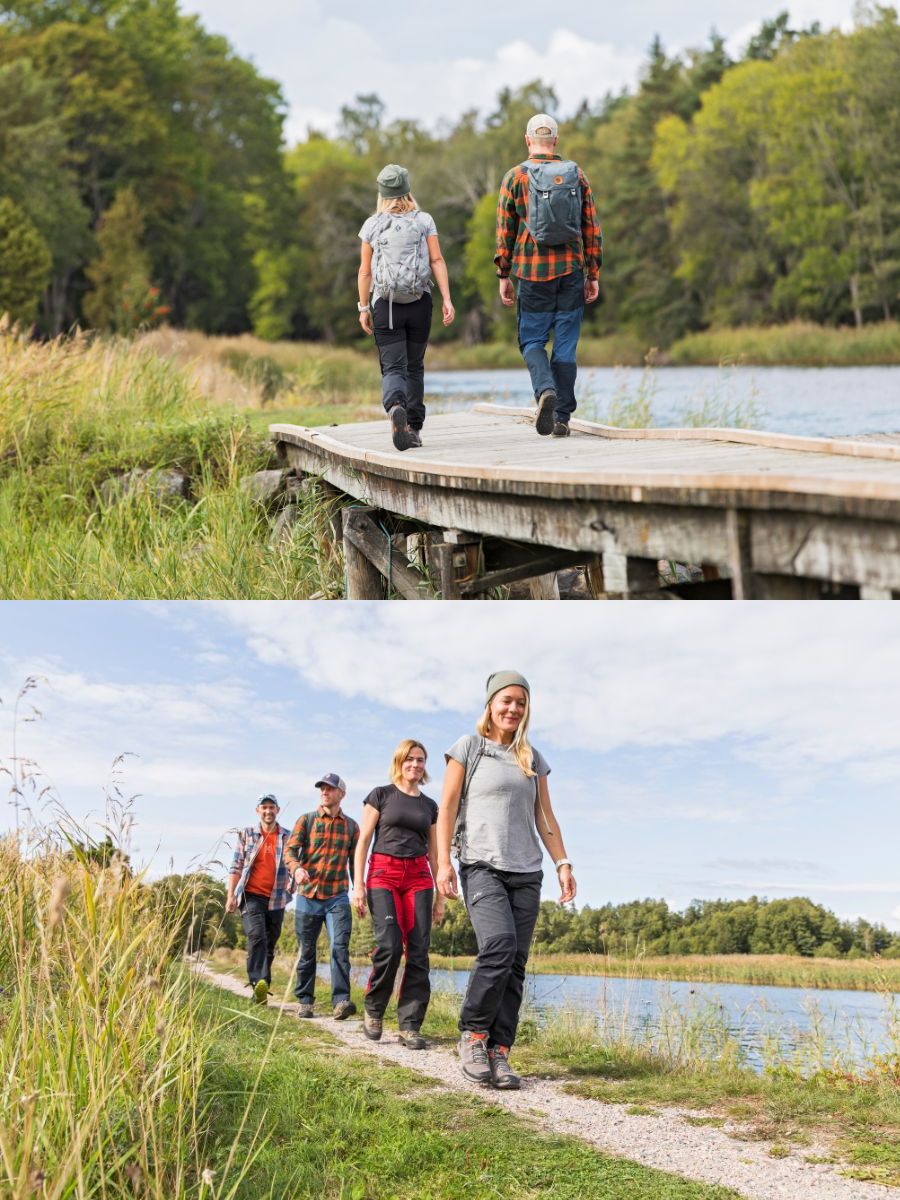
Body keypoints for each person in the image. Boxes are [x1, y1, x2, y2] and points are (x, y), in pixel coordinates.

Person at [436, 671, 576, 1089]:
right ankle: (474, 1035)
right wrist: (443, 863)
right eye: (506, 701)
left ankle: (500, 1052)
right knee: (498, 946)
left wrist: (562, 862)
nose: (513, 708)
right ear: (490, 704)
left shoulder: (532, 758)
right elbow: (446, 809)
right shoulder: (469, 747)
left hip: (527, 870)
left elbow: (544, 816)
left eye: (520, 702)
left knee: (515, 964)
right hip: (481, 864)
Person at [495, 113, 602, 438]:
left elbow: (505, 231)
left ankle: (545, 391)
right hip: (570, 271)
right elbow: (591, 228)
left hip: (531, 272)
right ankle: (562, 418)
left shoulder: (514, 177)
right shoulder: (575, 174)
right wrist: (592, 273)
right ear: (554, 140)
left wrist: (503, 274)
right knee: (565, 344)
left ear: (528, 140)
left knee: (531, 340)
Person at [352, 739, 444, 1049]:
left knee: (418, 951)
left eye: (420, 760)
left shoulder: (430, 806)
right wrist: (358, 886)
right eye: (410, 759)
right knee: (390, 945)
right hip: (383, 873)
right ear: (399, 761)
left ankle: (409, 1025)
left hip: (419, 877)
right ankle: (374, 1009)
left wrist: (441, 898)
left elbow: (434, 852)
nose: (415, 765)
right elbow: (363, 841)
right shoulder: (381, 795)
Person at [357, 163, 455, 452]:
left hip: (385, 305)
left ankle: (395, 406)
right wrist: (447, 299)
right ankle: (413, 427)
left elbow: (365, 272)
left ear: (382, 193)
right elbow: (437, 261)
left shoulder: (372, 225)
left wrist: (363, 307)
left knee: (393, 368)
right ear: (407, 189)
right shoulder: (424, 220)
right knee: (415, 367)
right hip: (419, 302)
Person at [284, 772, 360, 1020]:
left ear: (341, 794)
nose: (324, 792)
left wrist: (359, 889)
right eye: (322, 788)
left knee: (340, 947)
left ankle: (341, 1001)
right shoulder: (306, 820)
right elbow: (290, 851)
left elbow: (355, 862)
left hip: (337, 896)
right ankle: (305, 1001)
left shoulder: (351, 826)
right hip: (308, 895)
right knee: (307, 950)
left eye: (330, 788)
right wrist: (296, 869)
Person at [226, 794, 293, 1005]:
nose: (268, 811)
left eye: (271, 807)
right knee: (256, 936)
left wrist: (294, 883)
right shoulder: (246, 834)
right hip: (250, 895)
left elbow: (295, 863)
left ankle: (261, 991)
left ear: (278, 810)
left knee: (270, 944)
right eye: (264, 807)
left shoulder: (288, 836)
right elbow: (236, 865)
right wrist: (230, 895)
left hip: (277, 898)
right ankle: (259, 982)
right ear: (258, 811)